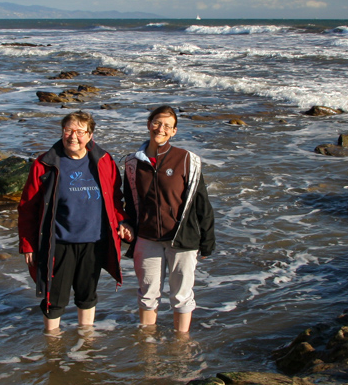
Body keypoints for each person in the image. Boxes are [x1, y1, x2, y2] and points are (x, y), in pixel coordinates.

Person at [18, 111, 133, 332]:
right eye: (68, 130)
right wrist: (28, 244)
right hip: (59, 243)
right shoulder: (45, 164)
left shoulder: (104, 160)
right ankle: (52, 347)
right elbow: (27, 208)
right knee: (54, 299)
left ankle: (85, 344)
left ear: (90, 135)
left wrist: (123, 221)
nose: (73, 136)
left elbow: (115, 199)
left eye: (80, 131)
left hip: (94, 241)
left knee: (87, 296)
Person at [123, 105, 215, 333]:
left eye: (167, 126)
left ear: (174, 131)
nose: (160, 128)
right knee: (147, 295)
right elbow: (128, 202)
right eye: (156, 123)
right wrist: (126, 225)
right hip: (147, 239)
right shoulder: (132, 163)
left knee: (182, 296)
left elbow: (201, 202)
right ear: (148, 125)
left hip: (182, 239)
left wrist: (207, 240)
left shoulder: (187, 160)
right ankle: (147, 344)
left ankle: (181, 345)